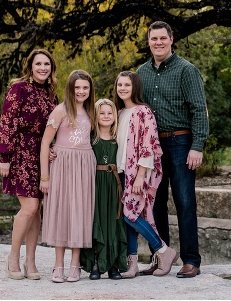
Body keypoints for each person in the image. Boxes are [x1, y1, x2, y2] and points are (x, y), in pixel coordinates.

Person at [135, 21, 208, 278]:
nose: (158, 42)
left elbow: (199, 109)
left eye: (162, 38)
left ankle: (191, 260)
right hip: (152, 148)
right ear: (149, 42)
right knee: (154, 205)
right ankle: (160, 257)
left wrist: (197, 146)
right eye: (154, 39)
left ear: (171, 39)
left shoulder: (186, 70)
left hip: (180, 143)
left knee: (185, 201)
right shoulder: (140, 73)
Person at [0, 49, 58, 281]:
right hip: (21, 152)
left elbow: (55, 126)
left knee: (36, 211)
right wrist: (5, 157)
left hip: (41, 156)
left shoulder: (51, 95)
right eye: (38, 64)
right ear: (30, 66)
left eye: (47, 64)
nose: (43, 68)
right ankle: (13, 256)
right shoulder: (19, 88)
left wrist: (52, 146)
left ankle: (30, 260)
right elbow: (7, 122)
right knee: (30, 207)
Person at [114, 71, 178, 278]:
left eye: (127, 85)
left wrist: (141, 175)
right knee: (129, 218)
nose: (122, 88)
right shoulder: (119, 112)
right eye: (120, 85)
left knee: (129, 214)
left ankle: (162, 250)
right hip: (121, 172)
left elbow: (149, 146)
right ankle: (132, 264)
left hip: (137, 173)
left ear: (135, 88)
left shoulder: (144, 112)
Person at [39, 70, 97, 283]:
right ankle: (58, 265)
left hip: (84, 166)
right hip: (62, 165)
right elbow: (45, 143)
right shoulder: (60, 111)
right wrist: (44, 177)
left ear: (90, 90)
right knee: (61, 211)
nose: (81, 91)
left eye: (85, 88)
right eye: (77, 87)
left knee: (80, 212)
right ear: (70, 89)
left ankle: (75, 265)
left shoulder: (93, 111)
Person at [80, 99, 128, 280]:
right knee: (97, 220)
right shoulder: (91, 139)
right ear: (96, 116)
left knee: (113, 223)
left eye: (110, 113)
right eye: (102, 113)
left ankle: (114, 265)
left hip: (113, 185)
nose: (106, 116)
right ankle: (95, 264)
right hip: (96, 184)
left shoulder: (118, 140)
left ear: (114, 116)